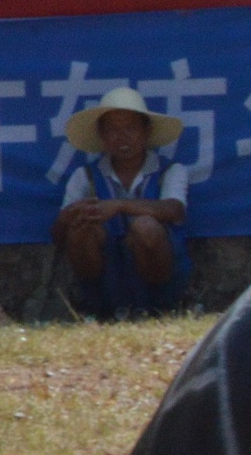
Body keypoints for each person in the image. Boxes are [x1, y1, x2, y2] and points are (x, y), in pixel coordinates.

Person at [53, 84, 191, 320]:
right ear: (102, 137)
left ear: (145, 132)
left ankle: (158, 308)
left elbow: (174, 210)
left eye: (130, 128)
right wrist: (71, 216)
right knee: (81, 229)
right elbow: (58, 236)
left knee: (145, 227)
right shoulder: (85, 176)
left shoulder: (170, 170)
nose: (122, 137)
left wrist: (119, 205)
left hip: (160, 278)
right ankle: (98, 308)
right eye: (112, 130)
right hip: (103, 280)